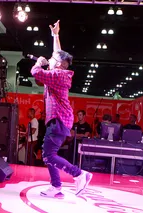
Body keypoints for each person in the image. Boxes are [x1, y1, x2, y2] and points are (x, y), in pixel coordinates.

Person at [30, 20, 92, 198]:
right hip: (58, 120)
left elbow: (36, 73)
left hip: (58, 120)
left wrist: (39, 63)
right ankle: (56, 187)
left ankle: (80, 174)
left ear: (58, 64)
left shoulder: (57, 75)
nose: (49, 58)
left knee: (49, 155)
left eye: (51, 60)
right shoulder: (59, 71)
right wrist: (55, 35)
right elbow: (57, 54)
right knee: (49, 154)